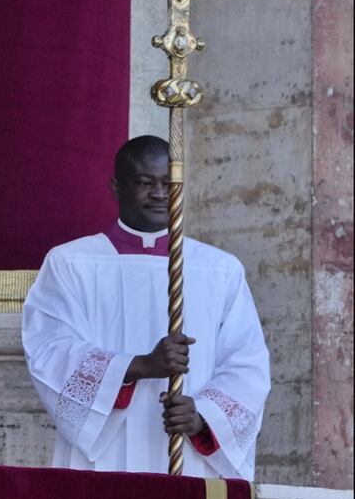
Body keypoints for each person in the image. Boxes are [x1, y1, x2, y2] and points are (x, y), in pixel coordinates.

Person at [21, 135, 270, 479]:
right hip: (103, 457)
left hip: (188, 454)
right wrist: (139, 365)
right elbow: (50, 350)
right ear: (116, 186)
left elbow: (248, 365)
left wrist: (202, 416)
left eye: (168, 183)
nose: (158, 193)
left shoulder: (220, 270)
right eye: (144, 182)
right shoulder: (71, 263)